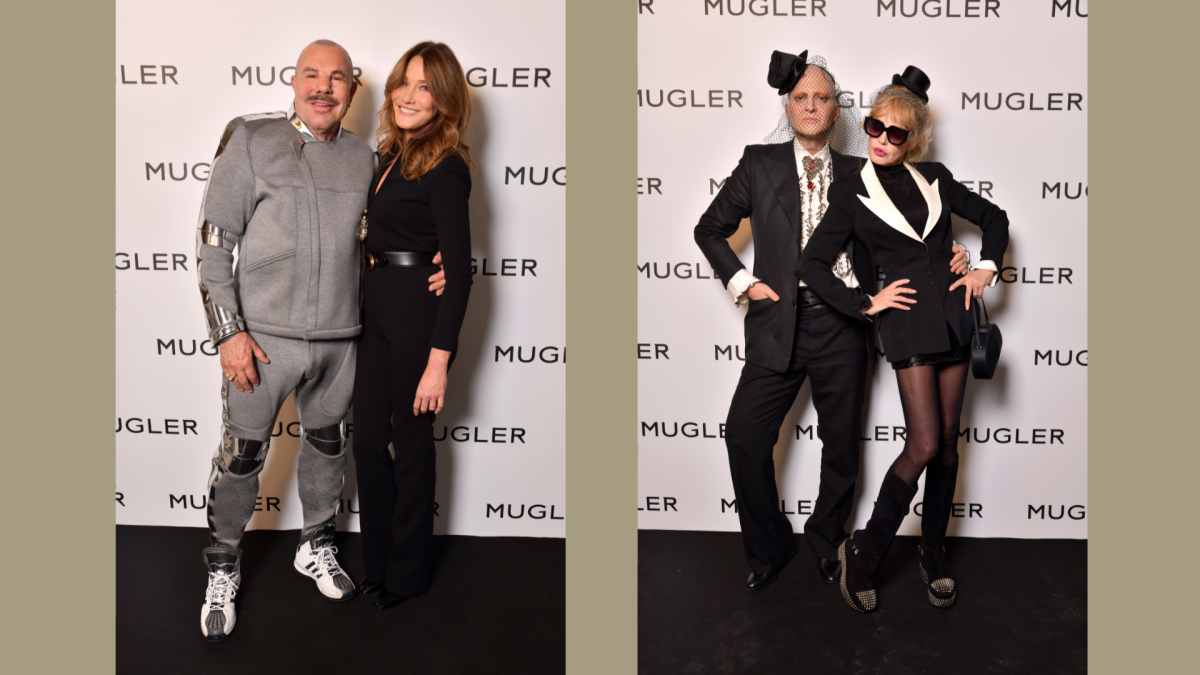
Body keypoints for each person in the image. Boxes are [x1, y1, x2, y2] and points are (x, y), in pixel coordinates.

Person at [193, 39, 445, 641]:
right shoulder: (250, 140)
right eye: (312, 75)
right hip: (262, 343)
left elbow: (392, 226)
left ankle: (315, 545)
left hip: (341, 340)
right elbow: (213, 244)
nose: (323, 88)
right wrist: (228, 332)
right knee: (242, 457)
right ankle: (222, 564)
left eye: (336, 78)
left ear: (352, 90)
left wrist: (437, 259)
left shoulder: (366, 157)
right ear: (294, 81)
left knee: (328, 449)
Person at [694, 50, 970, 592]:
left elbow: (916, 228)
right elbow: (709, 229)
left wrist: (952, 254)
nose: (811, 106)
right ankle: (768, 547)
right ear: (787, 106)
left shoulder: (864, 171)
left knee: (841, 446)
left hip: (846, 323)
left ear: (837, 109)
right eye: (801, 97)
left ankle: (827, 541)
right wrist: (743, 282)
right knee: (744, 436)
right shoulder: (758, 163)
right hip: (777, 322)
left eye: (821, 97)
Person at [799, 66, 1009, 613]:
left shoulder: (935, 177)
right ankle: (864, 554)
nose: (882, 140)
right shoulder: (850, 191)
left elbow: (994, 218)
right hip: (908, 324)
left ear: (912, 139)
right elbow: (811, 263)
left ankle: (933, 554)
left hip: (955, 318)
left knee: (947, 443)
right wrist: (866, 302)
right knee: (922, 444)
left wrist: (983, 266)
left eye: (896, 133)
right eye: (875, 127)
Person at [352, 41, 474, 610]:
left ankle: (406, 573)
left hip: (416, 319)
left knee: (411, 445)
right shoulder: (387, 155)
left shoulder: (447, 166)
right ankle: (377, 563)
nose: (408, 94)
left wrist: (438, 363)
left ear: (444, 100)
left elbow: (461, 271)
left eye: (425, 86)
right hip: (374, 311)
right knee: (367, 443)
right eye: (404, 81)